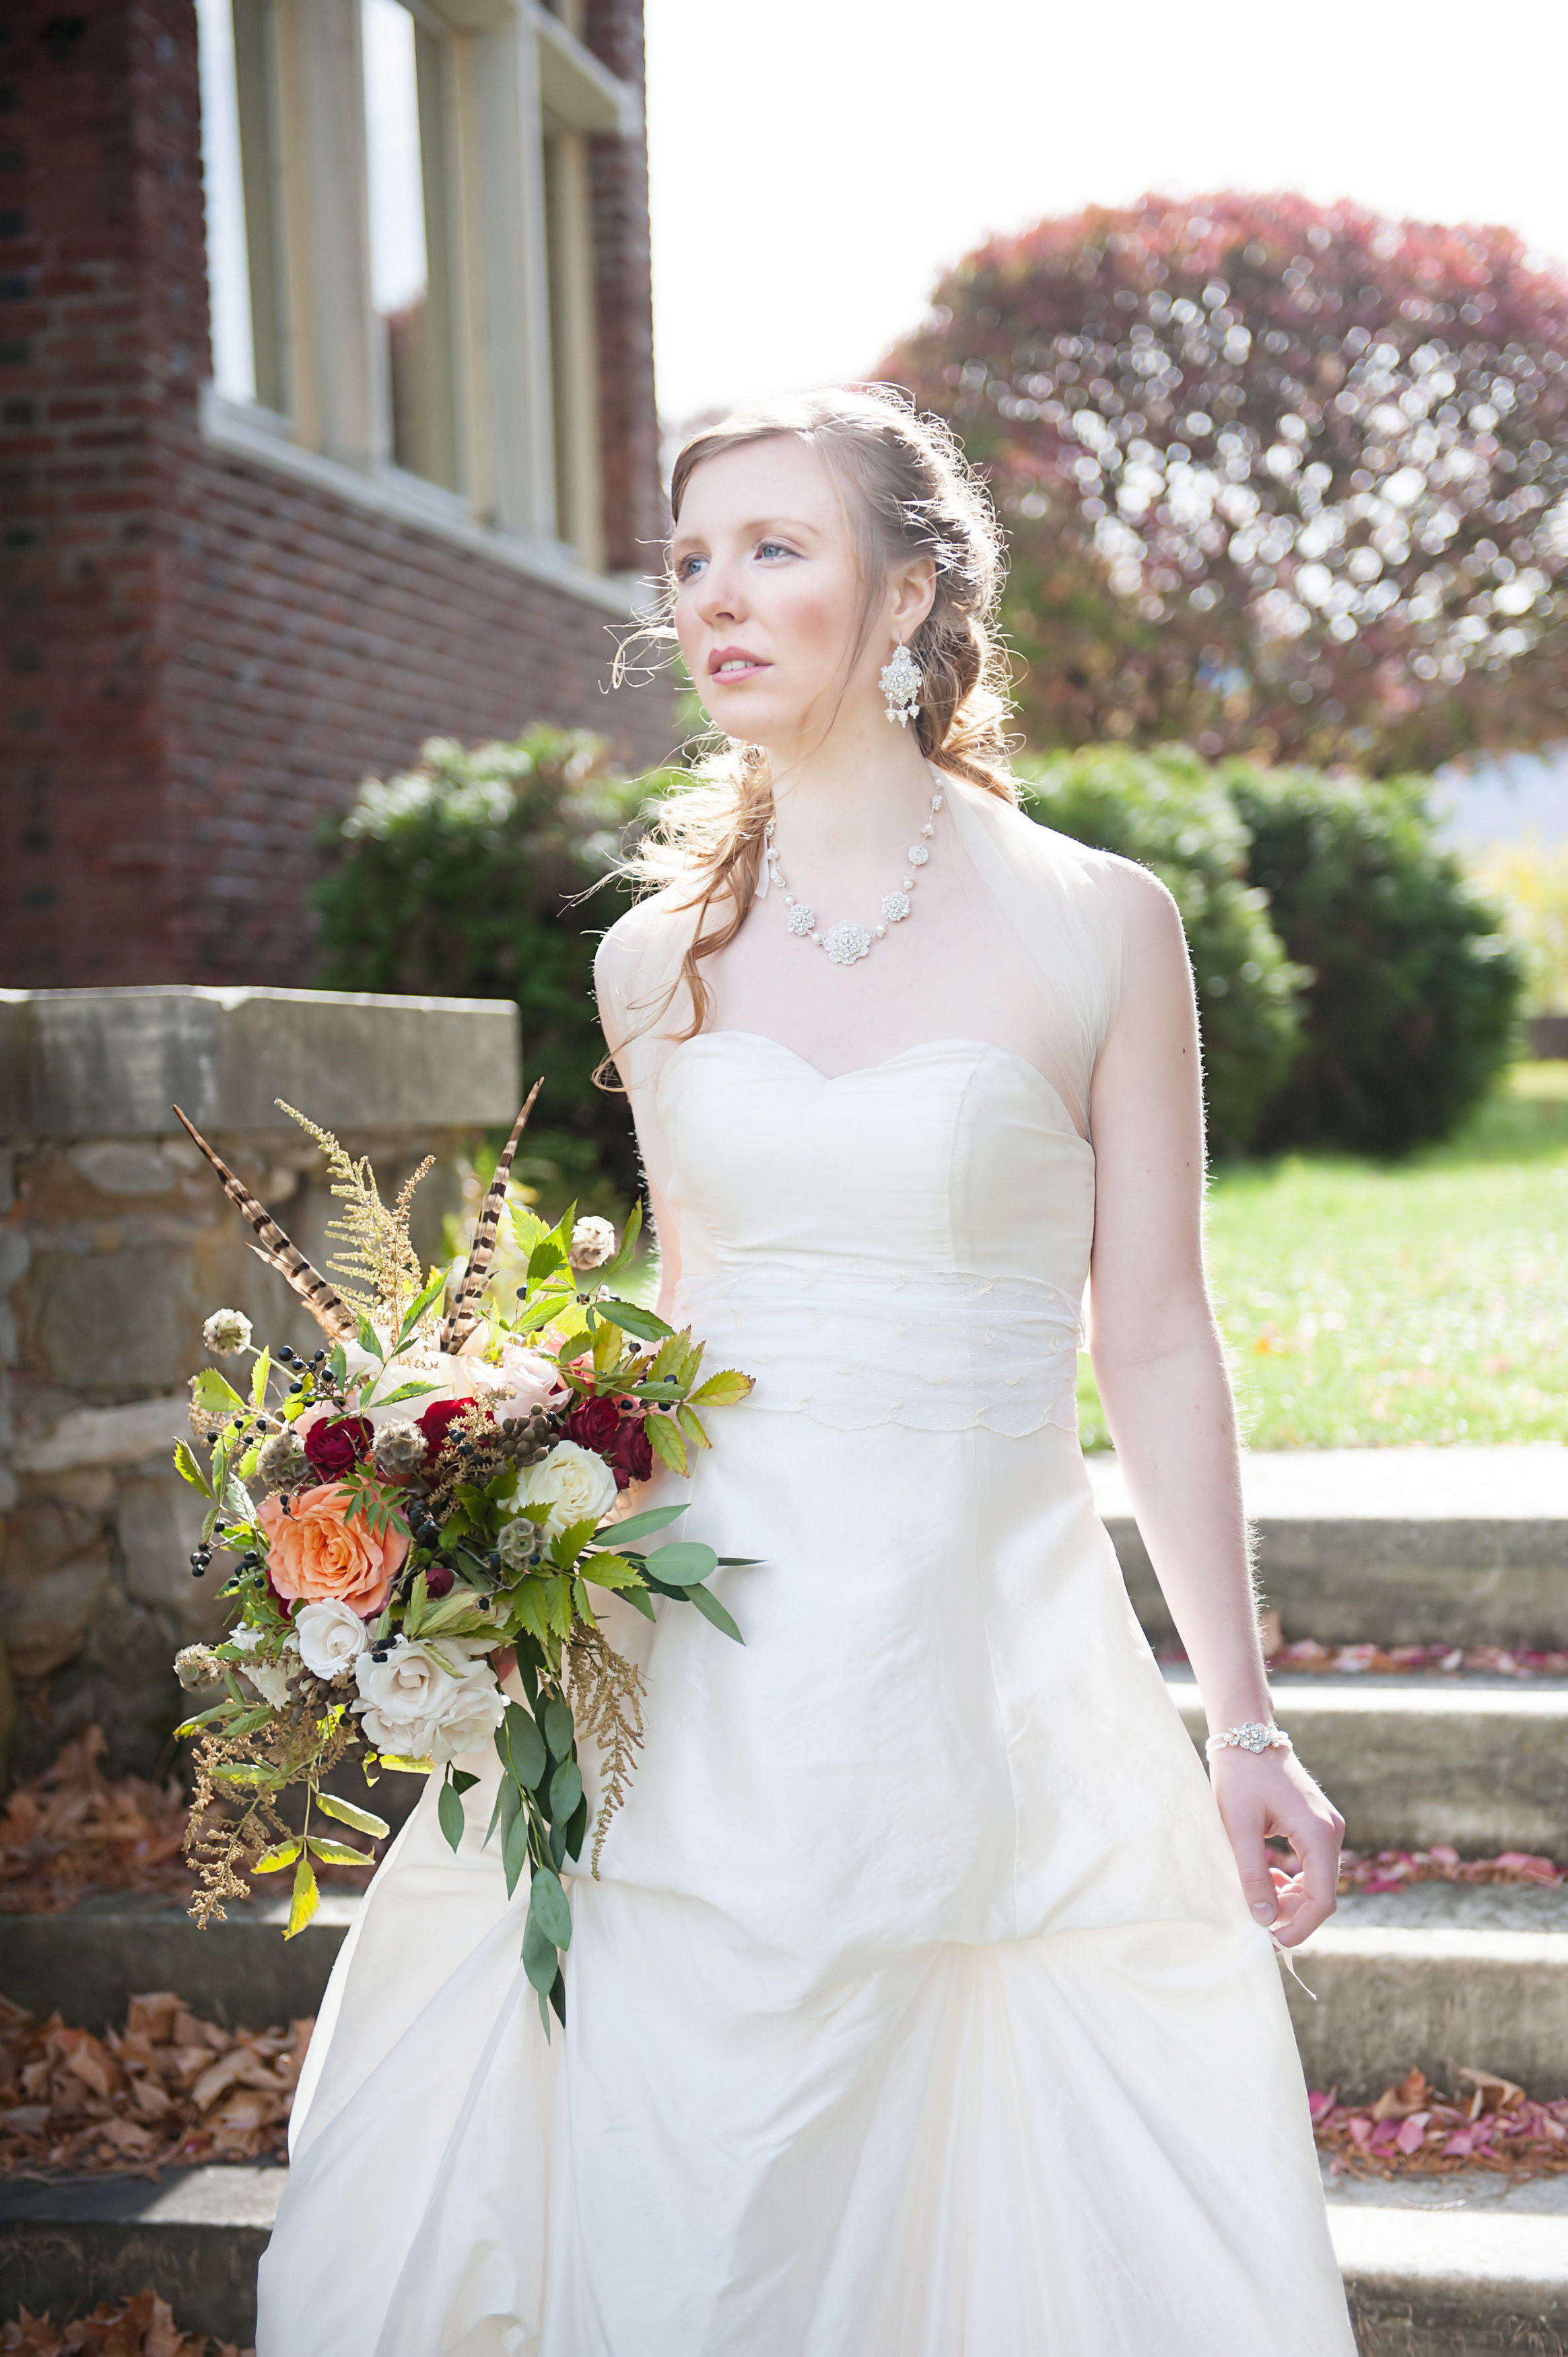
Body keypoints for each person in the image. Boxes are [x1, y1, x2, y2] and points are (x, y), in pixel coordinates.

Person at [257, 387, 1355, 2354]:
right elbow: (684, 1311)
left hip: (980, 1624)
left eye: (775, 548)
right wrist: (499, 1510)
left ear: (912, 590)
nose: (715, 598)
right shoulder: (655, 951)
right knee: (693, 2157)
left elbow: (1161, 1337)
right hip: (706, 1641)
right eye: (688, 558)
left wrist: (1243, 1719)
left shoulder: (1103, 921)